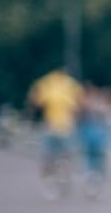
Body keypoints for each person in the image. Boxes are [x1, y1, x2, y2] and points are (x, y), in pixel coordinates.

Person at [26, 66, 83, 199]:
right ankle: (63, 178)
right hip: (66, 126)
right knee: (66, 157)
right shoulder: (71, 83)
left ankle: (50, 182)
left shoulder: (47, 82)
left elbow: (36, 100)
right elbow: (80, 104)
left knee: (48, 158)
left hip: (52, 125)